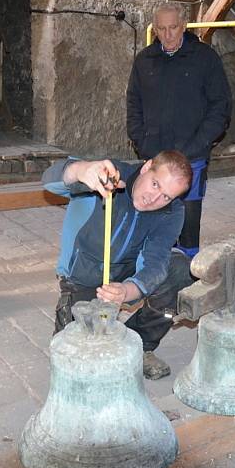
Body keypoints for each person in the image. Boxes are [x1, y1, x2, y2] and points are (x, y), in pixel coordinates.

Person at [43, 150, 194, 380]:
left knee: (180, 270)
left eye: (166, 196)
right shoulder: (109, 175)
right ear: (146, 167)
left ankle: (140, 344)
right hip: (82, 273)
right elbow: (50, 181)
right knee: (78, 365)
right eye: (155, 184)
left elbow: (156, 264)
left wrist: (127, 290)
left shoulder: (172, 212)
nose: (154, 199)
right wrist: (81, 170)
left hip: (126, 272)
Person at [126, 2, 232, 259]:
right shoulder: (145, 61)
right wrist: (142, 142)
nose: (168, 34)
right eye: (161, 28)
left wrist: (198, 145)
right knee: (151, 212)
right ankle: (151, 267)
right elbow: (133, 103)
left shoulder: (205, 58)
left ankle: (187, 270)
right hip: (154, 156)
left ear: (184, 25)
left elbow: (221, 106)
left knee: (187, 218)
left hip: (191, 158)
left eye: (173, 27)